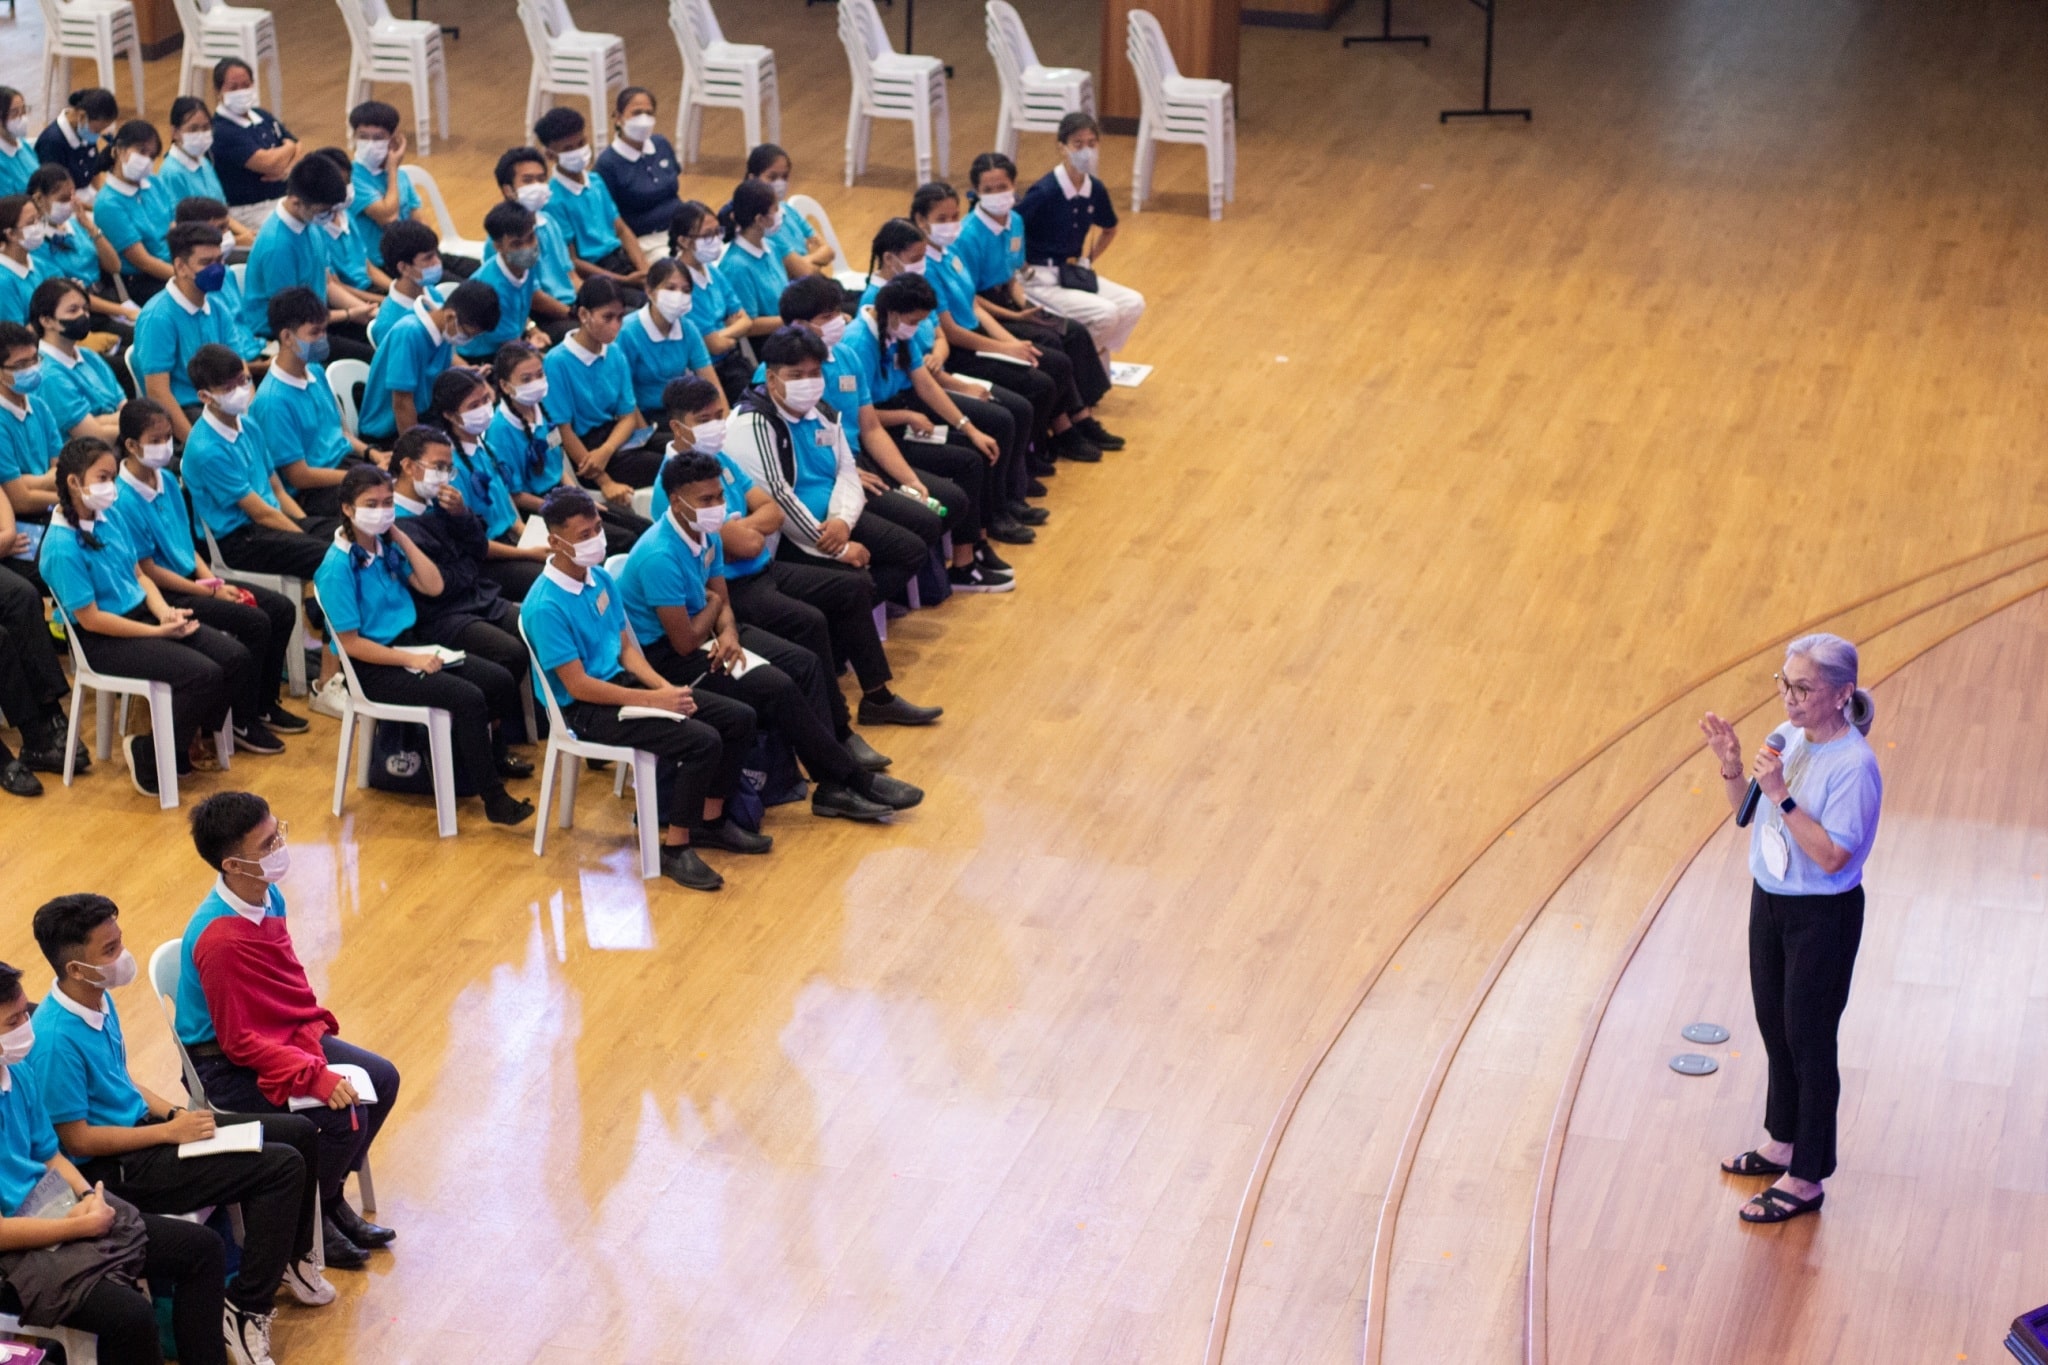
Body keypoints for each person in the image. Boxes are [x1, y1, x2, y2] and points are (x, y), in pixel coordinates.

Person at [28, 891, 335, 1358]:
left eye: (120, 942)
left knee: (296, 1134)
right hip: (119, 1167)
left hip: (152, 1134)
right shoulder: (54, 1039)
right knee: (281, 1168)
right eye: (109, 951)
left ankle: (287, 1263)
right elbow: (77, 1139)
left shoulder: (97, 999)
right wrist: (168, 1132)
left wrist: (174, 1113)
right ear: (75, 968)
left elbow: (122, 1082)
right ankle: (246, 1307)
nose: (122, 957)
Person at [622, 449, 923, 823]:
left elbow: (723, 602)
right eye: (706, 500)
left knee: (806, 663)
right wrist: (716, 610)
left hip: (711, 637)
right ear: (676, 502)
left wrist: (728, 630)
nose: (718, 506)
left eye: (719, 497)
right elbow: (684, 642)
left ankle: (832, 786)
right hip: (670, 658)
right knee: (777, 686)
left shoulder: (707, 534)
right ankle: (849, 778)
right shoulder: (660, 556)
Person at [1700, 633, 1883, 1225]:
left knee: (1810, 1039)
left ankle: (1806, 1175)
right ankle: (1781, 1140)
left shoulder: (1854, 767)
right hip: (1772, 901)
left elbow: (1833, 856)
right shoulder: (1786, 740)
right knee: (1775, 1025)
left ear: (1841, 694)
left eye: (1803, 688)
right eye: (1785, 684)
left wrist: (1783, 797)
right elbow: (1744, 811)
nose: (1790, 698)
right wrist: (1734, 766)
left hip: (1821, 918)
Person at [179, 789, 402, 1265]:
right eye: (266, 844)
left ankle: (328, 1196)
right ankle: (310, 1222)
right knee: (340, 1115)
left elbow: (282, 983)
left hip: (279, 1033)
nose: (280, 846)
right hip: (226, 1066)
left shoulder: (268, 893)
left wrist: (310, 1035)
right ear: (233, 865)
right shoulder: (218, 940)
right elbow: (238, 1041)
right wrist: (312, 1072)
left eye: (278, 831)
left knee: (381, 1079)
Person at [668, 376, 933, 757]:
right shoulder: (676, 479)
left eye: (719, 415)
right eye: (704, 419)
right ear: (679, 427)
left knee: (853, 586)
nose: (716, 425)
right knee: (809, 621)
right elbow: (743, 542)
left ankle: (877, 696)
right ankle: (838, 733)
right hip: (733, 589)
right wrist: (749, 529)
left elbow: (771, 512)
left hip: (764, 568)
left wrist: (746, 529)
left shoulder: (717, 457)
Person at [0, 959, 233, 1365]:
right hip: (15, 1254)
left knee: (203, 1249)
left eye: (24, 1013)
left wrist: (87, 1194)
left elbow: (50, 1153)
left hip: (62, 1215)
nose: (27, 1028)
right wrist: (75, 1225)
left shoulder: (17, 1072)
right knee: (130, 1316)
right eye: (12, 1021)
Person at [522, 486, 754, 888]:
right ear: (555, 542)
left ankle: (710, 821)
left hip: (623, 685)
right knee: (702, 742)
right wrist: (655, 700)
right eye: (584, 535)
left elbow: (626, 649)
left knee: (739, 718)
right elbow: (578, 686)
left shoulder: (597, 578)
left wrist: (668, 691)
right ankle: (675, 847)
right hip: (587, 709)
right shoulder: (545, 606)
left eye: (597, 528)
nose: (597, 538)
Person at [43, 436, 273, 796]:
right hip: (104, 640)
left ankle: (178, 744)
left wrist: (166, 613)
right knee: (202, 674)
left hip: (144, 616)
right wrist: (156, 635)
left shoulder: (109, 514)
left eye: (112, 476)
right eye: (102, 478)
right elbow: (91, 620)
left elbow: (139, 575)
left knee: (235, 658)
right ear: (74, 482)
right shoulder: (61, 546)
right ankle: (147, 754)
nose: (110, 486)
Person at [318, 462, 535, 823]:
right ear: (347, 508)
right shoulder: (337, 567)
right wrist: (410, 659)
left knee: (498, 678)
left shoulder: (384, 548)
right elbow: (351, 645)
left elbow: (432, 585)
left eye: (388, 503)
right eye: (371, 505)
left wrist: (399, 536)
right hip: (375, 665)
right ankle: (494, 799)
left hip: (412, 645)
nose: (382, 511)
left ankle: (488, 759)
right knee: (468, 698)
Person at [770, 273, 992, 590]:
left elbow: (870, 428)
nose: (838, 321)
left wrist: (911, 481)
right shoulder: (779, 374)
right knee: (919, 527)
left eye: (837, 312)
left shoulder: (844, 356)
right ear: (798, 324)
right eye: (827, 316)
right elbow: (791, 445)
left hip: (854, 462)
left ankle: (890, 590)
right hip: (824, 478)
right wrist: (845, 472)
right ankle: (862, 597)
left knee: (939, 506)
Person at [104, 397, 307, 741]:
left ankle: (263, 703)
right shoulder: (121, 498)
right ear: (130, 445)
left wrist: (211, 580)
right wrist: (209, 590)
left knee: (281, 608)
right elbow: (148, 570)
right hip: (166, 592)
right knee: (255, 621)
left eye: (169, 437)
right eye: (156, 440)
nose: (166, 446)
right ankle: (242, 719)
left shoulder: (167, 480)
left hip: (196, 580)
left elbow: (186, 546)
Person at [725, 326, 932, 614]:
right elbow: (779, 498)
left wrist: (842, 521)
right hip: (797, 531)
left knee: (911, 549)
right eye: (796, 375)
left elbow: (847, 471)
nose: (808, 382)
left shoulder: (823, 411)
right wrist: (839, 547)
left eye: (814, 373)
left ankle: (855, 613)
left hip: (836, 519)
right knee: (854, 582)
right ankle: (848, 618)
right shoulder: (754, 422)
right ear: (772, 379)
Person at [858, 225, 1040, 550]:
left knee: (987, 432)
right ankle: (976, 543)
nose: (917, 327)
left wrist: (967, 427)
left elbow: (927, 372)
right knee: (975, 452)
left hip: (910, 402)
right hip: (892, 420)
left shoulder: (902, 322)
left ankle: (994, 516)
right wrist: (909, 415)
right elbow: (865, 418)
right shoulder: (861, 341)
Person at [911, 178, 1098, 473]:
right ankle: (1028, 455)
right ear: (921, 221)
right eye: (941, 219)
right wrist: (1002, 347)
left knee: (1054, 356)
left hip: (979, 331)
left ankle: (1058, 433)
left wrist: (1010, 343)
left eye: (954, 216)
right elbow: (952, 332)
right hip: (963, 348)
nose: (950, 224)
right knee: (1040, 381)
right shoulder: (926, 268)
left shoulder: (951, 253)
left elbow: (972, 304)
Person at [955, 151, 1120, 455]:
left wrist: (1025, 307)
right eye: (988, 190)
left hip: (1011, 301)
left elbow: (1012, 277)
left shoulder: (1015, 221)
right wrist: (1015, 315)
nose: (997, 195)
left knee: (1074, 331)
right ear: (977, 192)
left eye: (1002, 186)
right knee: (1050, 343)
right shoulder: (967, 235)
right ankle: (1063, 428)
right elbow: (971, 296)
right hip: (986, 311)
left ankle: (1082, 416)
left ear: (1014, 184)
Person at [387, 418, 535, 735]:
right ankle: (488, 735)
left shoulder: (440, 505)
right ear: (409, 466)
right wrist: (467, 568)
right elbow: (438, 586)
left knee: (534, 625)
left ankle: (522, 723)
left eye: (449, 468)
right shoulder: (394, 522)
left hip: (473, 598)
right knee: (509, 652)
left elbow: (478, 550)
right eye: (438, 466)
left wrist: (462, 515)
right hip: (438, 616)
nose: (445, 476)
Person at [181, 343, 341, 580]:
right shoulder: (207, 450)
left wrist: (304, 525)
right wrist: (305, 538)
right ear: (206, 396)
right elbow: (260, 514)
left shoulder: (248, 424)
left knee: (346, 535)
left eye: (242, 381)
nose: (240, 390)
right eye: (228, 387)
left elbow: (277, 490)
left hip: (271, 519)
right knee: (333, 557)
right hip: (240, 539)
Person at [1016, 114, 1147, 369]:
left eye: (1092, 143)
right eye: (1078, 144)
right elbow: (1012, 228)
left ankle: (1089, 358)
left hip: (1073, 272)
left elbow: (1110, 228)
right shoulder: (1045, 191)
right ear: (1062, 147)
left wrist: (1088, 260)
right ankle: (1081, 364)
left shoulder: (1094, 189)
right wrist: (1020, 267)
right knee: (1105, 314)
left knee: (1133, 303)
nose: (1086, 150)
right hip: (1040, 278)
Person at [252, 286, 376, 517]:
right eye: (315, 333)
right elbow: (300, 476)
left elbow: (342, 433)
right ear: (287, 337)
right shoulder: (272, 401)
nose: (322, 338)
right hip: (318, 490)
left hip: (346, 466)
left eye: (324, 331)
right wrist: (361, 476)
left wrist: (373, 455)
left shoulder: (315, 371)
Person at [423, 366, 545, 599]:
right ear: (449, 415)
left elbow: (507, 501)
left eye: (485, 400)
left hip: (513, 542)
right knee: (557, 577)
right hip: (487, 559)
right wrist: (528, 554)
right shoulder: (450, 469)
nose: (484, 410)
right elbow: (476, 544)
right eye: (473, 406)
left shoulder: (485, 446)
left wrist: (525, 533)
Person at [240, 154, 374, 359]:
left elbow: (327, 284)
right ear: (296, 202)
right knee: (370, 358)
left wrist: (364, 310)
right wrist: (349, 315)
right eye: (324, 211)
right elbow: (292, 320)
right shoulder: (278, 247)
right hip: (287, 335)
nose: (330, 217)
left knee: (383, 337)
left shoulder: (310, 222)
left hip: (317, 317)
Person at [132, 222, 246, 441]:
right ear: (181, 266)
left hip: (225, 400)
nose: (216, 268)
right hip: (189, 410)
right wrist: (196, 444)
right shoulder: (158, 317)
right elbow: (158, 392)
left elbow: (240, 368)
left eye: (219, 260)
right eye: (206, 262)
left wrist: (246, 409)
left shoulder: (217, 307)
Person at [544, 276, 656, 497]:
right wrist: (605, 482)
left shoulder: (614, 351)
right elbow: (564, 431)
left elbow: (627, 416)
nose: (615, 325)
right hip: (586, 451)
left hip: (615, 440)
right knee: (673, 467)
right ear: (584, 315)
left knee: (683, 449)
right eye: (607, 317)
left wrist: (607, 450)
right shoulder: (556, 362)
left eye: (620, 317)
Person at [357, 279, 500, 443]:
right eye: (469, 334)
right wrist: (417, 451)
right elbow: (402, 403)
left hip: (423, 414)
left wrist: (468, 377)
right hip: (388, 431)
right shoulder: (408, 333)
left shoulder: (444, 328)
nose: (468, 339)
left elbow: (436, 372)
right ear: (451, 316)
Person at [534, 106, 647, 286]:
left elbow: (621, 229)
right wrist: (625, 281)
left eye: (581, 143)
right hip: (596, 275)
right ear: (550, 154)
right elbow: (572, 260)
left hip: (622, 260)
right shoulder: (553, 200)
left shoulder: (595, 180)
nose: (577, 151)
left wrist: (644, 271)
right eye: (568, 148)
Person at [615, 257, 721, 425]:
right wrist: (645, 436)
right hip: (645, 416)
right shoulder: (627, 332)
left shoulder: (688, 329)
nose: (678, 295)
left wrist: (724, 422)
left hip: (681, 414)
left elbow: (710, 380)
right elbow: (624, 395)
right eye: (670, 288)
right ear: (649, 290)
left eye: (685, 290)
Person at [455, 202, 568, 361]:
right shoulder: (492, 290)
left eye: (530, 238)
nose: (527, 247)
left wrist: (532, 329)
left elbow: (518, 308)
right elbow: (512, 351)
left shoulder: (524, 266)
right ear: (498, 246)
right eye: (516, 244)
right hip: (487, 356)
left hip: (515, 338)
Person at [28, 167, 130, 338]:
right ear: (39, 199)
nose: (70, 203)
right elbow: (68, 292)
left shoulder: (75, 225)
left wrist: (91, 228)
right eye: (63, 199)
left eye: (72, 196)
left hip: (108, 297)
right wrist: (123, 311)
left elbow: (114, 266)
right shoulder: (37, 243)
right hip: (82, 311)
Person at [490, 148, 580, 335]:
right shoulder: (501, 238)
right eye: (528, 181)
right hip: (544, 316)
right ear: (508, 190)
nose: (537, 186)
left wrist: (590, 302)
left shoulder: (549, 221)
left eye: (541, 179)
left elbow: (571, 275)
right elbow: (534, 298)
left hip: (571, 306)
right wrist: (574, 315)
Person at [669, 200, 754, 399]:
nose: (716, 239)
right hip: (708, 373)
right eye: (708, 235)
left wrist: (723, 334)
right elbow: (714, 345)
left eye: (718, 232)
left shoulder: (713, 273)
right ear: (684, 241)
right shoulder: (680, 286)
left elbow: (746, 321)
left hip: (734, 362)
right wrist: (732, 331)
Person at [168, 197, 264, 364]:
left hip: (252, 353)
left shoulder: (225, 273)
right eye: (220, 228)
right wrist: (256, 367)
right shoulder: (196, 292)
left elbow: (240, 324)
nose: (227, 234)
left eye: (227, 227)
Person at [30, 277, 123, 442]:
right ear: (46, 320)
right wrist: (127, 425)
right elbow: (95, 436)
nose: (83, 315)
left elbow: (126, 407)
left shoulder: (89, 356)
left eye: (85, 309)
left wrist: (100, 421)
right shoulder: (48, 375)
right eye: (73, 310)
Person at [209, 58, 299, 228]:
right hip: (249, 211)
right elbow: (267, 163)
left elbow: (299, 146)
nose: (241, 91)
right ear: (218, 91)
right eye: (233, 87)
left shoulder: (260, 114)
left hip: (282, 198)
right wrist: (289, 147)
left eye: (246, 85)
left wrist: (287, 169)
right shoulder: (222, 130)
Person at [92, 121, 175, 302]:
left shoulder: (154, 183)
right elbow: (143, 261)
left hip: (172, 263)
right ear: (118, 150)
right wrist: (185, 278)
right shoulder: (108, 204)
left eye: (152, 156)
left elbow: (174, 227)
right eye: (141, 151)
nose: (147, 160)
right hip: (142, 280)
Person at [157, 97, 250, 248]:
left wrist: (247, 234)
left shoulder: (203, 162)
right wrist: (237, 242)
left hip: (222, 236)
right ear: (175, 132)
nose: (201, 134)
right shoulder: (172, 174)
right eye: (193, 129)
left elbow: (222, 212)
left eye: (206, 127)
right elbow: (186, 232)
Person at [0, 320, 61, 546]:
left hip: (49, 507)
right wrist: (70, 499)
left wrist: (32, 482)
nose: (32, 368)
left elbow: (62, 470)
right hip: (22, 522)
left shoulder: (39, 405)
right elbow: (20, 501)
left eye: (35, 360)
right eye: (21, 364)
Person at [594, 87, 682, 241]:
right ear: (619, 118)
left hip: (680, 227)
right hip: (645, 238)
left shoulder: (661, 144)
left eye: (648, 113)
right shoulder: (607, 164)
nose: (643, 119)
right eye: (636, 113)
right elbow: (609, 218)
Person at [746, 143, 834, 279]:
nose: (779, 184)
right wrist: (815, 261)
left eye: (785, 177)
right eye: (772, 177)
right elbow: (801, 273)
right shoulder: (762, 224)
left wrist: (805, 262)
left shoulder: (788, 210)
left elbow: (829, 252)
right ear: (752, 179)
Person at [715, 179, 791, 330]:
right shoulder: (736, 267)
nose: (781, 213)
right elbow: (749, 324)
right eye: (775, 209)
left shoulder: (771, 247)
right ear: (759, 219)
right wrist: (796, 321)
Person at [368, 218, 445, 346]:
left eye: (436, 254)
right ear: (403, 267)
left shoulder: (430, 290)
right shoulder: (390, 325)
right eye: (428, 258)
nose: (437, 262)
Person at [33, 88, 117, 192]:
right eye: (97, 130)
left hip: (85, 195)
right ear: (82, 116)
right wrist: (95, 207)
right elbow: (54, 194)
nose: (98, 135)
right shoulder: (51, 144)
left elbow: (93, 171)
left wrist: (98, 195)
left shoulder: (85, 132)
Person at [0, 193, 52, 326]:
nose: (38, 226)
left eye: (38, 219)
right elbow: (17, 337)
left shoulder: (37, 262)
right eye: (30, 222)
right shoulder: (3, 283)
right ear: (11, 234)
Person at [0, 88, 39, 197]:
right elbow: (8, 206)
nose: (22, 118)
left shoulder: (23, 145)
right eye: (14, 112)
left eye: (23, 110)